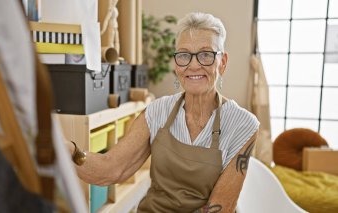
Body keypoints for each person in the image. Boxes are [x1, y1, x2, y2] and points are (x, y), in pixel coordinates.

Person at [68, 12, 259, 213]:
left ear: (223, 62)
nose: (194, 65)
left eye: (206, 54)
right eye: (184, 55)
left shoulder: (243, 124)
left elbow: (221, 208)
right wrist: (69, 151)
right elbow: (110, 168)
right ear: (176, 64)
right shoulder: (157, 112)